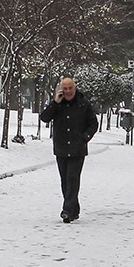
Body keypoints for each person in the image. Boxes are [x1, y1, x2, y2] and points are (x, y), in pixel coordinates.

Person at [38, 76, 98, 222]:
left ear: (75, 88)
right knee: (65, 181)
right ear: (61, 90)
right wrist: (55, 102)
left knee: (73, 179)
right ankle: (74, 209)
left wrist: (85, 137)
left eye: (70, 88)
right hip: (62, 148)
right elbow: (44, 118)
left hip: (78, 149)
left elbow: (93, 123)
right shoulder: (57, 105)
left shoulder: (83, 104)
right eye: (65, 89)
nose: (68, 91)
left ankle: (67, 211)